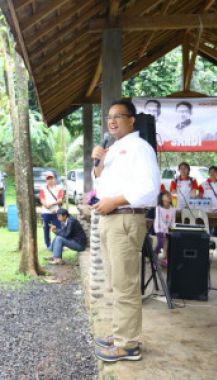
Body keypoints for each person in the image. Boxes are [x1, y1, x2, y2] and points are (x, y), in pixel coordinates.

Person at [91, 99, 160, 362]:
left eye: (119, 116)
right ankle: (121, 334)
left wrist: (114, 201)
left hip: (124, 218)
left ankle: (129, 344)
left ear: (132, 119)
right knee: (117, 282)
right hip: (109, 219)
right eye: (109, 116)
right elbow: (101, 180)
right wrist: (97, 161)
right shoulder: (113, 149)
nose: (112, 120)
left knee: (126, 285)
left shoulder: (139, 148)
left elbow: (149, 189)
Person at [39, 171, 64, 249]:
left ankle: (60, 244)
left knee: (59, 229)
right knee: (46, 229)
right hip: (46, 212)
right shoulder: (43, 188)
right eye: (48, 178)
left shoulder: (59, 188)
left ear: (54, 179)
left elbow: (60, 200)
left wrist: (51, 204)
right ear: (46, 180)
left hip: (56, 212)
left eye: (51, 178)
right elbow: (41, 199)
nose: (50, 180)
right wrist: (45, 205)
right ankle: (48, 245)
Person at [153, 190, 176, 267]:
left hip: (167, 229)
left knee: (167, 244)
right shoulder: (158, 208)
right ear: (162, 198)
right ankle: (154, 257)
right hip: (159, 229)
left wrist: (171, 227)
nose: (169, 196)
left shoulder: (172, 208)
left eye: (170, 195)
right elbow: (159, 220)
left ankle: (164, 259)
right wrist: (164, 229)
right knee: (160, 243)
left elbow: (173, 220)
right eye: (167, 195)